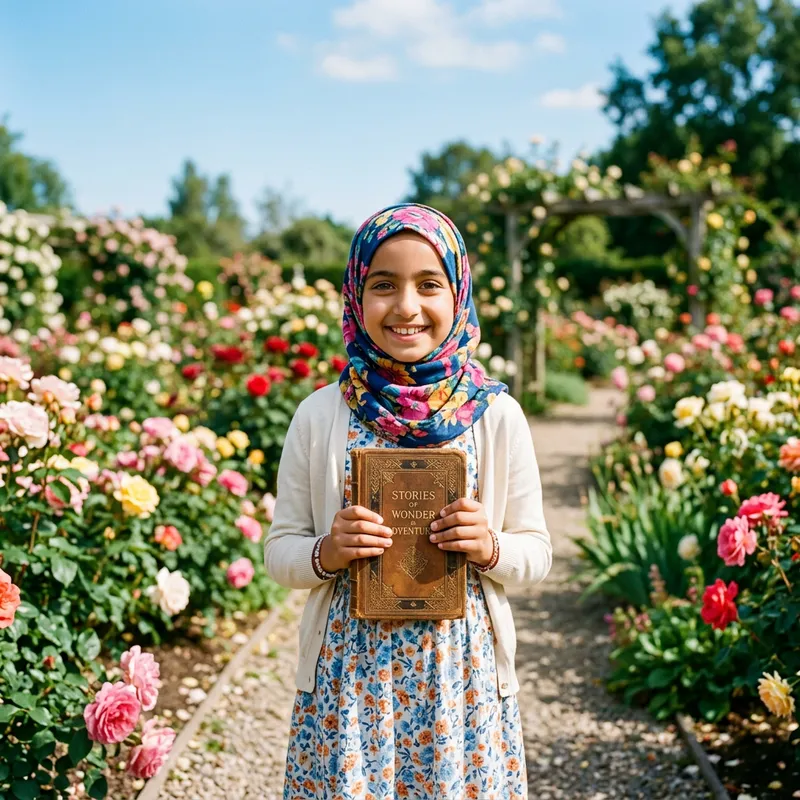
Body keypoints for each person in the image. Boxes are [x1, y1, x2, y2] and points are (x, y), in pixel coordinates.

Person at [264, 203, 552, 800]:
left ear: (459, 293)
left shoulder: (496, 416)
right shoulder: (321, 414)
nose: (406, 306)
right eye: (383, 285)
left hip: (459, 680)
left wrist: (490, 546)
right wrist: (325, 553)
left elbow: (537, 552)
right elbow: (279, 552)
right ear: (355, 295)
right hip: (349, 679)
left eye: (429, 284)